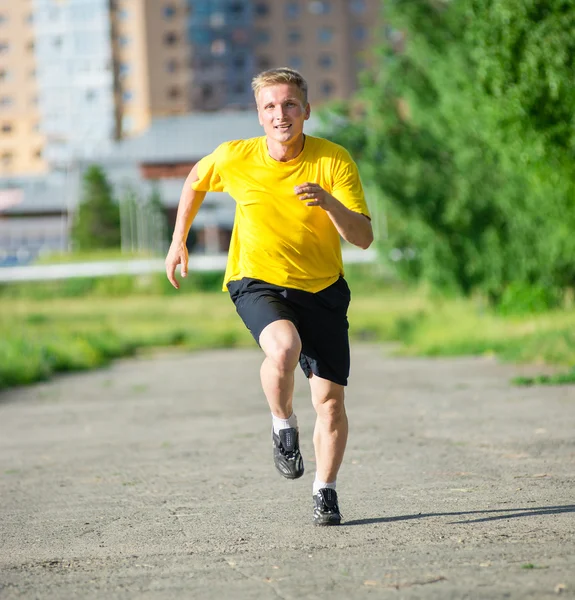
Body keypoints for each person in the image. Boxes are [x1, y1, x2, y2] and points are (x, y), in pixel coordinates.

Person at [165, 67, 373, 526]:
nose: (281, 115)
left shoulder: (333, 161)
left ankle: (326, 490)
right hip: (256, 280)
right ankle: (283, 425)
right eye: (270, 107)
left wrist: (330, 203)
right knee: (283, 346)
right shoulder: (235, 156)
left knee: (331, 403)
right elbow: (195, 180)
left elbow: (363, 238)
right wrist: (179, 239)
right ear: (260, 115)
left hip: (322, 289)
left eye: (289, 105)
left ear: (306, 110)